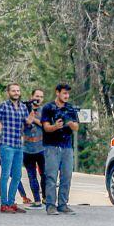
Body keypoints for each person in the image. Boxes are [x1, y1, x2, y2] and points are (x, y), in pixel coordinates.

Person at [0, 83, 31, 213]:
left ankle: (11, 202)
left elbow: (26, 126)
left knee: (17, 175)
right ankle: (4, 205)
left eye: (18, 90)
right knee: (5, 175)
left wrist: (29, 122)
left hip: (19, 146)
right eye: (13, 90)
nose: (16, 92)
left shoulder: (23, 108)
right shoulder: (4, 106)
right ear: (8, 93)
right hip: (7, 145)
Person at [41, 83, 79, 216]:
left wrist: (70, 123)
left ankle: (63, 204)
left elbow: (76, 127)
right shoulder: (48, 107)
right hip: (51, 146)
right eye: (64, 93)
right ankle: (51, 205)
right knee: (51, 176)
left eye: (68, 93)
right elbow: (45, 127)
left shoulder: (70, 108)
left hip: (67, 147)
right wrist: (55, 126)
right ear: (57, 93)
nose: (66, 96)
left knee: (67, 176)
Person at [22, 88, 45, 209]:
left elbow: (45, 125)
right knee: (32, 176)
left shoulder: (45, 111)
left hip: (42, 148)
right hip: (27, 149)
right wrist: (27, 119)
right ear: (32, 96)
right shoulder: (23, 109)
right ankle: (37, 201)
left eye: (41, 97)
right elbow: (20, 127)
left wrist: (33, 119)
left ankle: (46, 199)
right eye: (36, 96)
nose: (38, 99)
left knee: (45, 175)